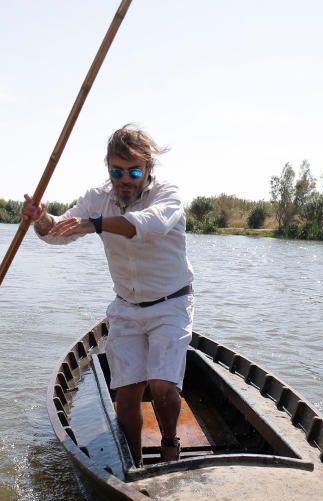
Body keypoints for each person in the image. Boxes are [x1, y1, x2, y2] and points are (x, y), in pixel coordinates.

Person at [23, 125, 194, 467]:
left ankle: (170, 443)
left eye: (133, 171)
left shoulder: (168, 195)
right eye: (117, 171)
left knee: (161, 386)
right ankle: (134, 463)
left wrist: (96, 224)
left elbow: (146, 225)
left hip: (171, 304)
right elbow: (57, 231)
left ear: (148, 169)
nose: (125, 179)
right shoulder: (97, 198)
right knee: (127, 393)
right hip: (126, 308)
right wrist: (40, 219)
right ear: (108, 169)